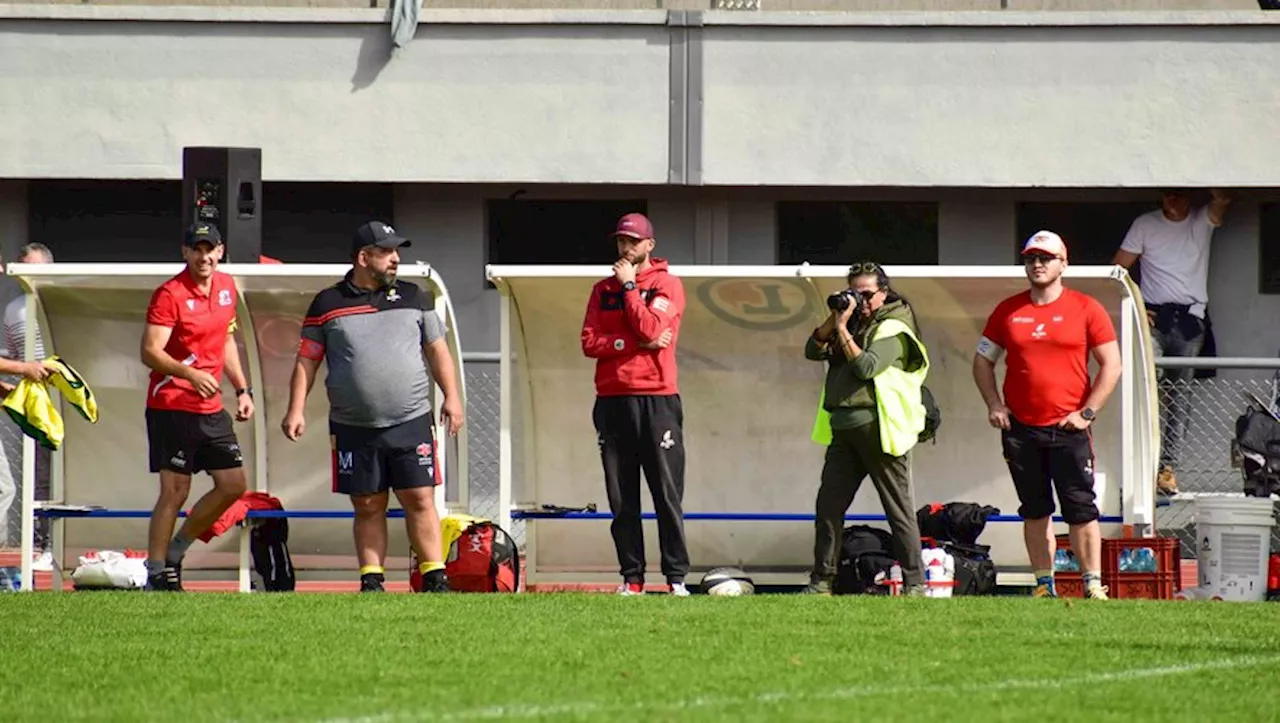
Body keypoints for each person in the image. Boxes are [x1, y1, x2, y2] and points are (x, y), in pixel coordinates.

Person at [281, 221, 463, 594]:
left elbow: (437, 350)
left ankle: (434, 575)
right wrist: (295, 409)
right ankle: (371, 579)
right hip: (353, 424)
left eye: (397, 252)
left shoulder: (415, 297)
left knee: (420, 496)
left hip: (410, 418)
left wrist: (453, 397)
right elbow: (307, 360)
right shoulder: (326, 303)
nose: (396, 259)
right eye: (387, 252)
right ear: (364, 258)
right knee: (367, 503)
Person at [974, 231, 1122, 600]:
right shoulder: (1007, 311)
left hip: (1068, 429)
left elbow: (1112, 366)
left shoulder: (1087, 308)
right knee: (1035, 510)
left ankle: (1092, 585)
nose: (1037, 265)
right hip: (1021, 429)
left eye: (1045, 258)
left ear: (1063, 263)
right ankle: (1044, 584)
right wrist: (995, 404)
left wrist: (1086, 413)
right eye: (1030, 259)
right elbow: (982, 362)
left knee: (1080, 509)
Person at [801, 262, 930, 596]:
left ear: (884, 292)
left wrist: (843, 330)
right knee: (828, 507)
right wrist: (837, 317)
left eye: (867, 294)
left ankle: (916, 582)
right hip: (844, 429)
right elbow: (812, 350)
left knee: (898, 508)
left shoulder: (894, 326)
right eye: (854, 293)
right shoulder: (855, 318)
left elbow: (866, 366)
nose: (861, 300)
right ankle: (821, 581)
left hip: (880, 428)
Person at [580, 212, 690, 596]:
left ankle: (676, 578)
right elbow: (589, 342)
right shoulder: (601, 289)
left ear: (649, 246)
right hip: (612, 401)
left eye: (633, 241)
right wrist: (628, 344)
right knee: (622, 496)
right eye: (621, 241)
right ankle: (632, 578)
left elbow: (652, 329)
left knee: (666, 492)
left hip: (657, 400)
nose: (625, 248)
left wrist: (630, 289)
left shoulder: (667, 284)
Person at [141, 223, 253, 591]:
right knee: (175, 491)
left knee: (234, 484)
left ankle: (177, 549)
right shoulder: (169, 294)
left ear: (220, 251)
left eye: (210, 249)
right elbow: (150, 352)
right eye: (196, 249)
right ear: (185, 252)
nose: (204, 256)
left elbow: (226, 341)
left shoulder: (226, 287)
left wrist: (242, 389)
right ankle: (157, 572)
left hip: (211, 407)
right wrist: (188, 373)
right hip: (172, 405)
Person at [1111, 188, 1232, 495]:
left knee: (1180, 396)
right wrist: (1138, 307)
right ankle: (1141, 462)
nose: (1173, 200)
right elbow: (1118, 270)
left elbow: (1220, 205)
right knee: (1146, 385)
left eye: (1179, 195)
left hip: (1190, 320)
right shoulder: (1145, 224)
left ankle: (1167, 470)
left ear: (1189, 197)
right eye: (1167, 195)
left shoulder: (1200, 219)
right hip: (1155, 319)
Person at [2, 242, 55, 569]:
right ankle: (39, 542)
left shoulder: (59, 304)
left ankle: (52, 542)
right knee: (38, 474)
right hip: (31, 404)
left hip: (61, 401)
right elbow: (14, 355)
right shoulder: (13, 310)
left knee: (59, 471)